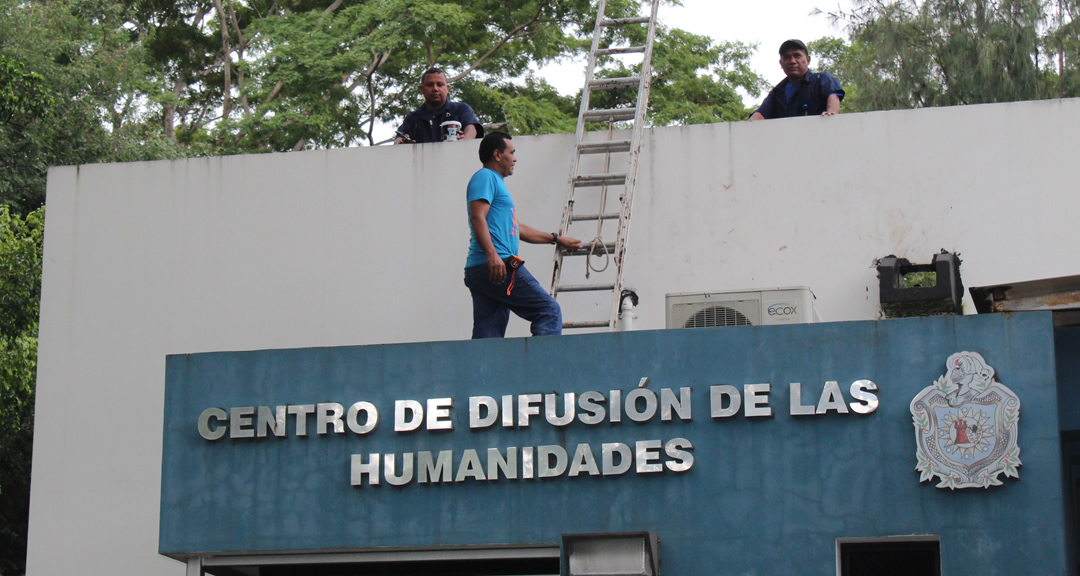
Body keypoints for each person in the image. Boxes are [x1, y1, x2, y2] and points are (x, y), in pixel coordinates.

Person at [463, 132, 583, 338]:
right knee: (548, 310)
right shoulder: (485, 177)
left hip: (482, 268)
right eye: (512, 153)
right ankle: (543, 368)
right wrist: (493, 256)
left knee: (488, 333)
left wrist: (556, 239)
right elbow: (477, 217)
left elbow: (517, 228)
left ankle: (483, 369)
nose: (515, 158)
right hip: (500, 263)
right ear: (497, 155)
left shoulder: (495, 183)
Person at [750, 39, 844, 120]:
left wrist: (831, 115)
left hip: (818, 136)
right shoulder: (777, 91)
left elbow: (833, 97)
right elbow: (760, 115)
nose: (792, 61)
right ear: (781, 63)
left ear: (807, 60)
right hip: (786, 139)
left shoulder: (821, 79)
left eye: (797, 56)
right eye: (787, 57)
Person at [395, 68, 484, 143]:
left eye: (440, 85)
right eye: (430, 85)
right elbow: (398, 139)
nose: (435, 89)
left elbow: (471, 130)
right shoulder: (412, 118)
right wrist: (401, 143)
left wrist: (464, 141)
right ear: (421, 89)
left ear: (447, 88)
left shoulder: (461, 109)